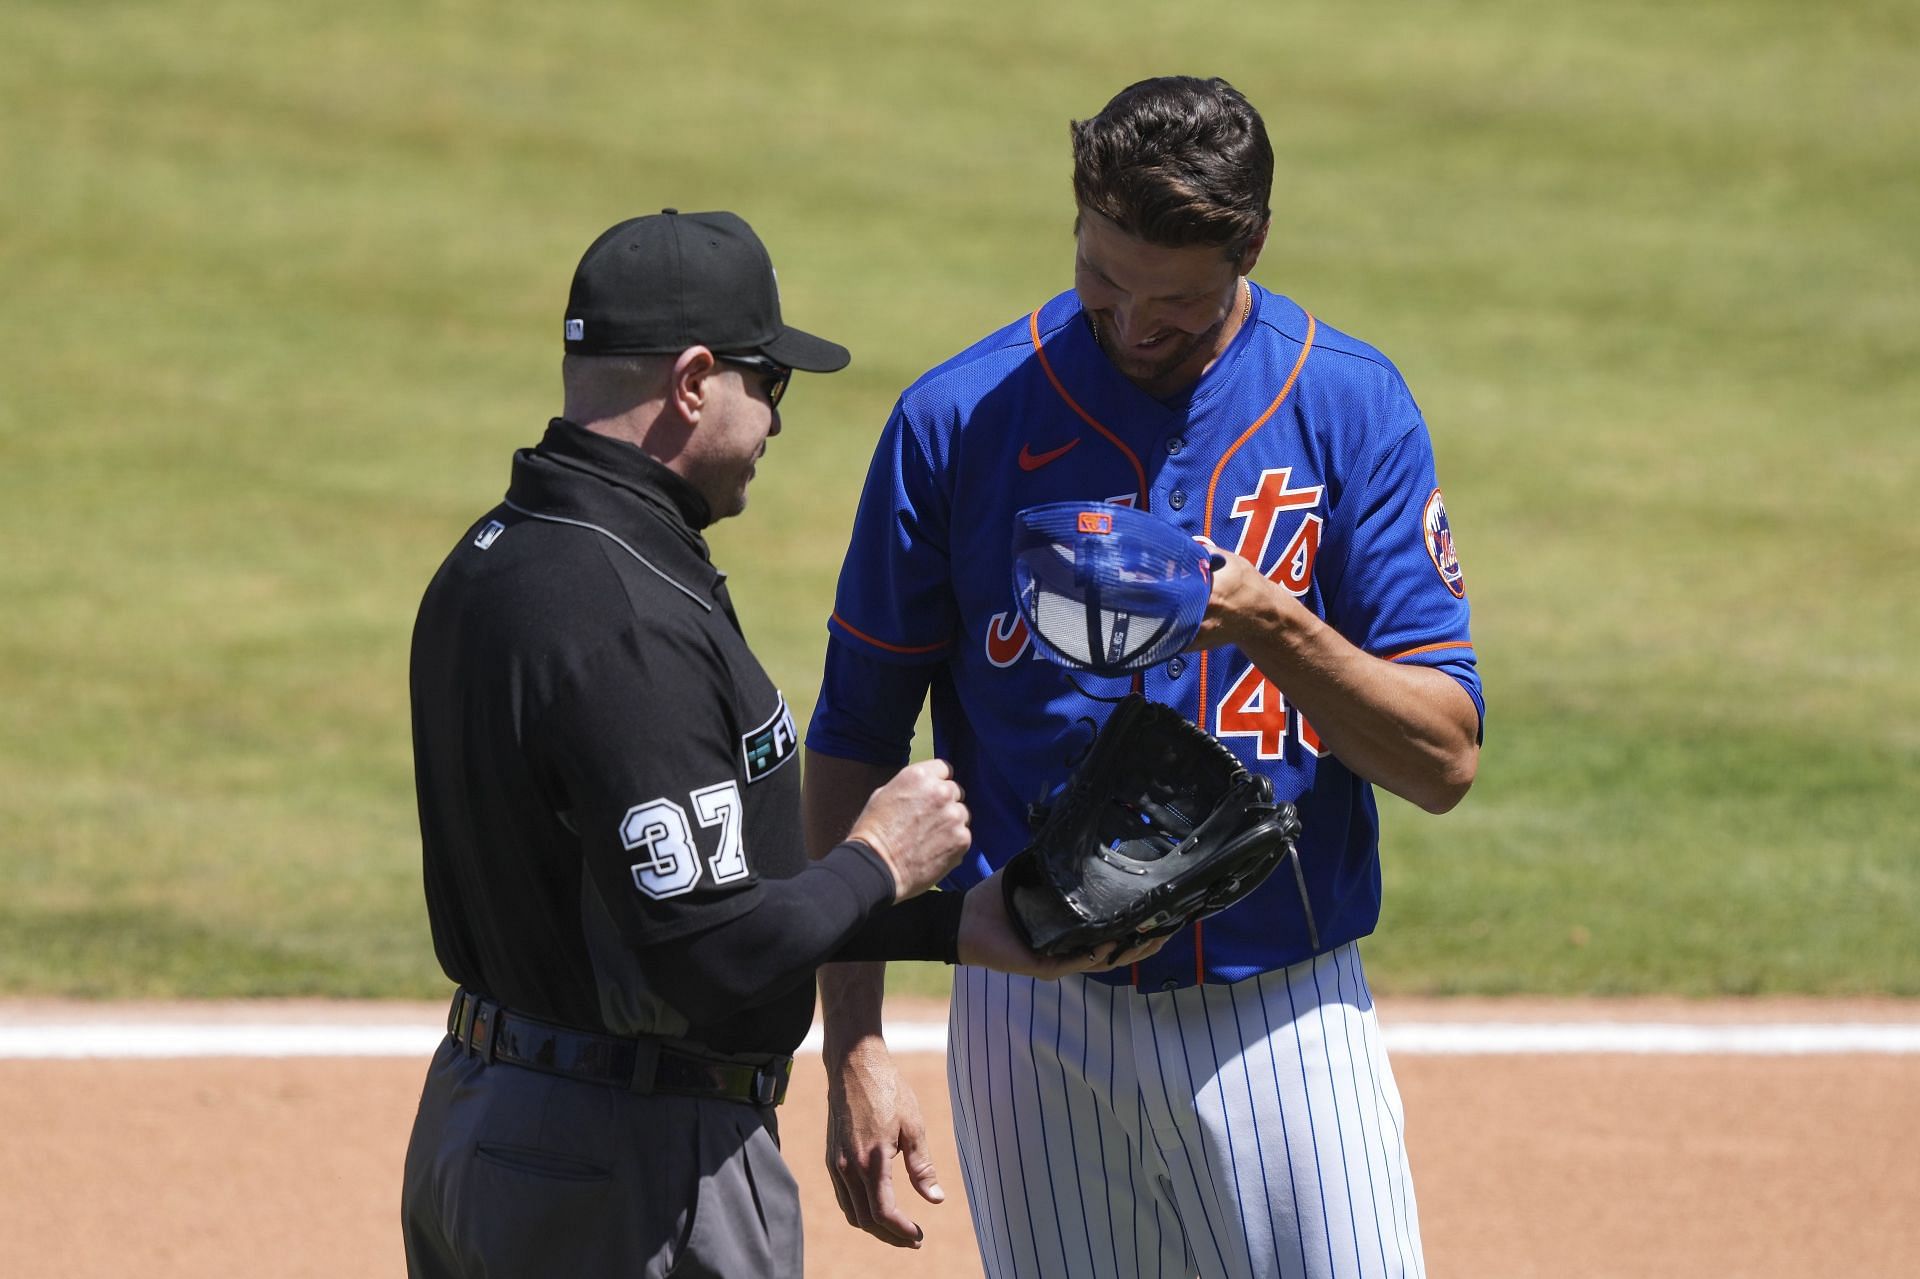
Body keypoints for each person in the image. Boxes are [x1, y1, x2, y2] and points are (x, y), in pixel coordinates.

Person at [805, 77, 1483, 1279]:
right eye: (1102, 279)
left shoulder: (1348, 407)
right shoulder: (957, 421)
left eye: (1176, 297)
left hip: (1283, 1009)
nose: (1132, 323)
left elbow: (1443, 759)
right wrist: (852, 1038)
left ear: (1251, 245)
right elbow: (854, 735)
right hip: (1031, 1014)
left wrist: (1270, 621)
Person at [399, 209, 1127, 1279]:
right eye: (767, 384)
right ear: (694, 381)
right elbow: (709, 955)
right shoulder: (620, 614)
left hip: (501, 1123)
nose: (776, 422)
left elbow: (664, 898)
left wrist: (947, 924)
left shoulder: (505, 554)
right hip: (625, 1168)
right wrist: (880, 859)